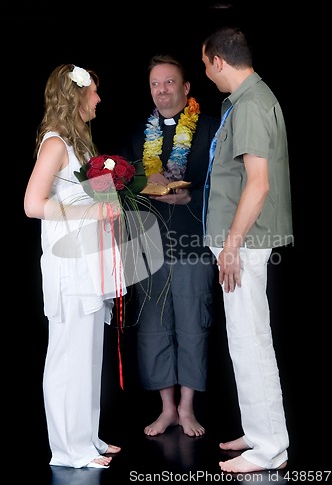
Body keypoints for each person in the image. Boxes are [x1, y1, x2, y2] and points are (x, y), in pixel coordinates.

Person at [201, 26, 293, 472]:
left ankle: (269, 448)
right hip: (241, 240)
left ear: (219, 61)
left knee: (250, 341)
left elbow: (258, 183)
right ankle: (261, 434)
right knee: (247, 340)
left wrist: (232, 247)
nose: (205, 72)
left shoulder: (252, 104)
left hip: (244, 242)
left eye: (204, 64)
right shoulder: (248, 101)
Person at [24, 64, 124, 468]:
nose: (99, 100)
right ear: (77, 96)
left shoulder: (82, 145)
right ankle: (68, 451)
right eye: (94, 93)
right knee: (68, 357)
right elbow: (32, 205)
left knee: (88, 356)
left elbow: (104, 202)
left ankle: (87, 438)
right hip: (69, 265)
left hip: (91, 263)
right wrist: (91, 211)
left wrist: (112, 207)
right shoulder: (55, 145)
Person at [123, 54, 220, 437]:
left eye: (169, 82)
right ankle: (166, 408)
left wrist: (189, 197)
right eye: (155, 84)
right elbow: (128, 186)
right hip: (149, 248)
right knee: (154, 329)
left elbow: (224, 187)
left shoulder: (211, 130)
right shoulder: (137, 134)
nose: (161, 90)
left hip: (193, 244)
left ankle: (187, 408)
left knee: (193, 325)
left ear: (186, 87)